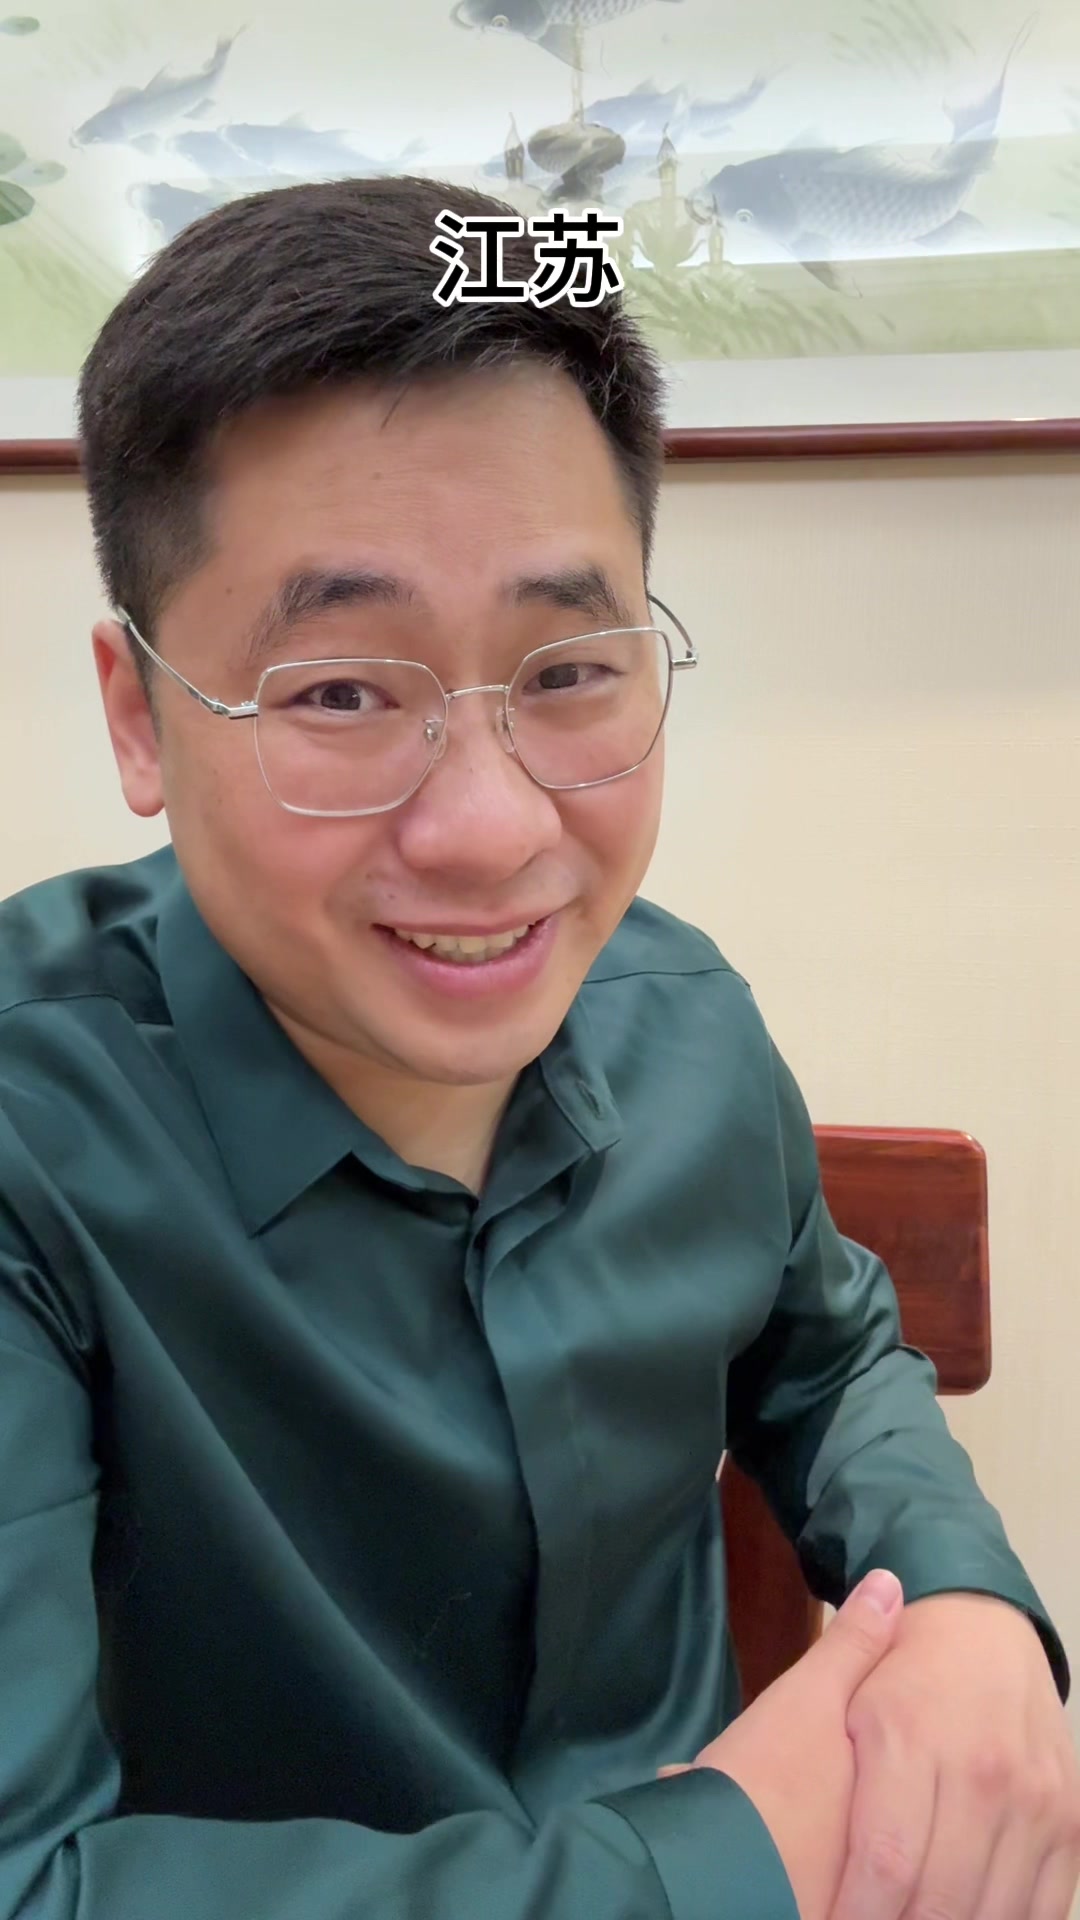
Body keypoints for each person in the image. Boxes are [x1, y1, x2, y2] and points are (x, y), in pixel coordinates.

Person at [0, 175, 1076, 1920]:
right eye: (341, 693)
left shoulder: (686, 1027)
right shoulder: (30, 1144)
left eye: (570, 670)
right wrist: (723, 1857)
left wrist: (955, 1598)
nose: (496, 831)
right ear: (139, 716)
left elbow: (831, 1359)